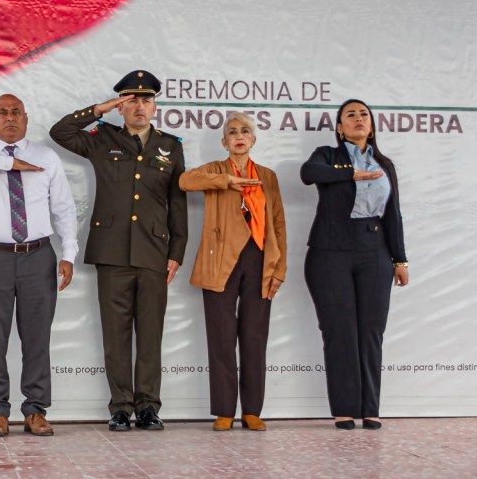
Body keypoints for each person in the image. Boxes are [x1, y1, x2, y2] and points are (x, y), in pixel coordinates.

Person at [49, 69, 188, 431]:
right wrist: (100, 108)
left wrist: (177, 251)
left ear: (155, 107)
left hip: (154, 252)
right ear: (121, 107)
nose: (139, 106)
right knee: (116, 334)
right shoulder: (101, 138)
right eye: (131, 100)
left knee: (151, 334)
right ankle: (121, 407)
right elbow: (60, 132)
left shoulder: (171, 146)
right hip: (112, 251)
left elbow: (177, 202)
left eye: (146, 100)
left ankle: (148, 406)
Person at [0, 94, 78, 438]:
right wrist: (10, 164)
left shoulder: (46, 157)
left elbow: (64, 208)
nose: (10, 118)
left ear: (26, 117)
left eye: (16, 112)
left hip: (38, 256)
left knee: (37, 337)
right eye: (2, 113)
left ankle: (35, 410)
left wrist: (68, 253)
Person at [300, 98, 409, 431]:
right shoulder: (327, 156)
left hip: (374, 251)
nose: (358, 118)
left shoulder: (384, 164)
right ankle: (345, 409)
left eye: (364, 114)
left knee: (371, 332)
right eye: (350, 115)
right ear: (340, 127)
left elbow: (393, 214)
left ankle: (370, 408)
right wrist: (352, 174)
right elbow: (308, 174)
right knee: (340, 332)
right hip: (330, 253)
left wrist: (400, 258)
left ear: (371, 126)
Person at [179, 112, 287, 432]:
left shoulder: (267, 176)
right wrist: (227, 181)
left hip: (259, 259)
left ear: (253, 140)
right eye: (232, 132)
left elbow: (278, 224)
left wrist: (279, 268)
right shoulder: (215, 169)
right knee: (221, 337)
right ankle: (225, 410)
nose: (239, 136)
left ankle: (252, 411)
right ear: (224, 142)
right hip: (220, 261)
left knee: (254, 337)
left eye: (245, 131)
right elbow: (185, 181)